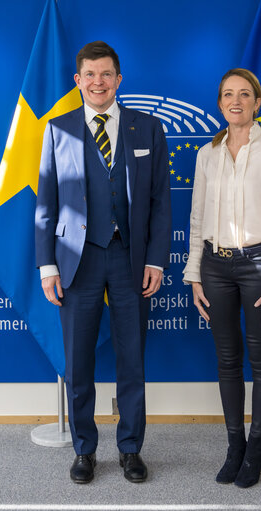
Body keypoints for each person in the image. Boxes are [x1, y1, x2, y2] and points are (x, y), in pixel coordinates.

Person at [35, 41, 171, 484]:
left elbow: (159, 203)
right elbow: (47, 204)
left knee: (132, 360)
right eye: (90, 75)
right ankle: (85, 450)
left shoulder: (147, 128)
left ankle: (131, 449)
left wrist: (156, 259)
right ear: (78, 81)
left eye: (106, 74)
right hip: (77, 261)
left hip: (130, 259)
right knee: (78, 365)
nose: (98, 82)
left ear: (118, 79)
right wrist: (46, 266)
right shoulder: (57, 130)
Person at [183, 68, 261, 488]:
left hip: (258, 267)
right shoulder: (206, 154)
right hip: (215, 266)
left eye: (244, 94)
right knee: (228, 360)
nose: (236, 101)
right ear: (219, 103)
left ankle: (257, 448)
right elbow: (197, 218)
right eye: (228, 94)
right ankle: (234, 447)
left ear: (256, 102)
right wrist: (195, 272)